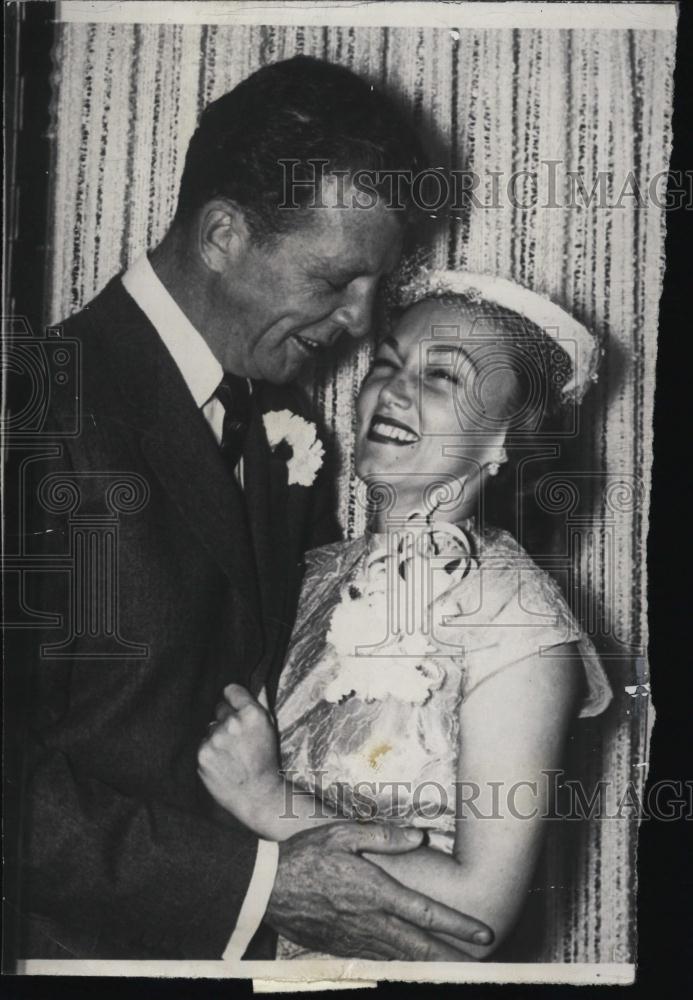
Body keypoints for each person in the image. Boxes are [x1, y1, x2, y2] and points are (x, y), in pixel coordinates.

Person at [7, 58, 494, 963]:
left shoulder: (288, 425)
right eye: (335, 281)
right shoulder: (33, 409)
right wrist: (261, 888)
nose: (361, 322)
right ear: (223, 233)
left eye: (376, 288)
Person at [197, 270, 614, 960]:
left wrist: (266, 800)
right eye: (386, 363)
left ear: (506, 437)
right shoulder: (305, 573)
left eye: (443, 377)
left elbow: (477, 915)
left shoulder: (518, 620)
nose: (392, 389)